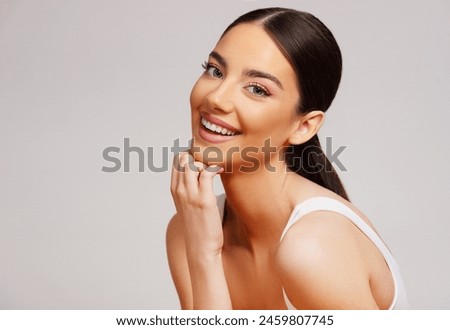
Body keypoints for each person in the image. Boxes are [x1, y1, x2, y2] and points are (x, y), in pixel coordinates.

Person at [167, 7, 407, 310]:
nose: (215, 97)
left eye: (257, 89)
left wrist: (203, 252)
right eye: (215, 70)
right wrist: (203, 253)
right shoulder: (190, 229)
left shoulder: (313, 248)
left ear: (303, 126)